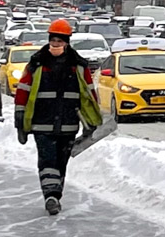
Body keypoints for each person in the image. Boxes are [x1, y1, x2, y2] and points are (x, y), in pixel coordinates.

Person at [14, 18, 101, 216]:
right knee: (47, 160)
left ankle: (55, 194)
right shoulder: (36, 64)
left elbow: (88, 94)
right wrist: (20, 118)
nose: (55, 45)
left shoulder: (78, 65)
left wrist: (93, 119)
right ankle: (51, 196)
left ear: (67, 42)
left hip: (68, 123)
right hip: (41, 123)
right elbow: (23, 90)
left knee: (61, 162)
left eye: (59, 42)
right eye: (53, 41)